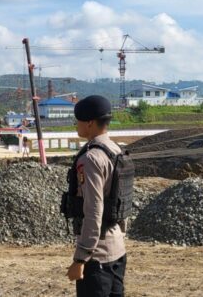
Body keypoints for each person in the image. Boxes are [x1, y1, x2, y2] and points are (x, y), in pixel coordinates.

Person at [66, 95, 127, 297]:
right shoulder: (116, 150)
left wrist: (80, 258)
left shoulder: (91, 158)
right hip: (117, 249)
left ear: (90, 123)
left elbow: (93, 210)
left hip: (97, 257)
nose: (76, 125)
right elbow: (122, 197)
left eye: (78, 121)